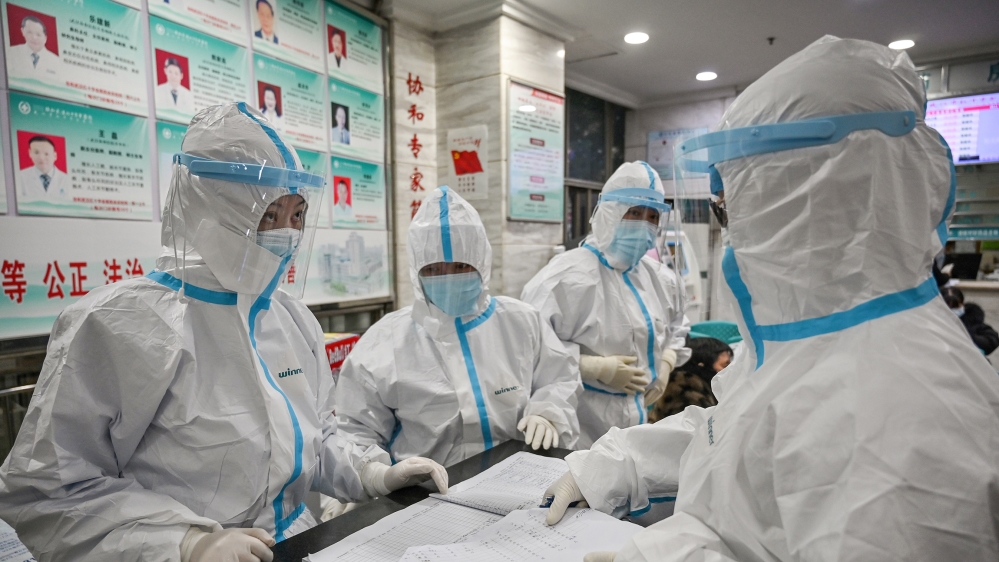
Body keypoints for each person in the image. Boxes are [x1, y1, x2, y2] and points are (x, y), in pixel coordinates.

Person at [542, 36, 999, 562]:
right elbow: (736, 440)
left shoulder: (905, 413)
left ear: (805, 205)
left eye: (736, 208)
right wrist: (610, 466)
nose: (733, 237)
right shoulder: (828, 340)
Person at [0, 103, 447, 562]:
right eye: (268, 214)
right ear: (208, 208)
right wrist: (184, 542)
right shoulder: (119, 325)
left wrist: (373, 473)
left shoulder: (289, 318)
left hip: (294, 543)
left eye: (297, 215)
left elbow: (317, 437)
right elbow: (48, 492)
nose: (287, 234)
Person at [335, 186, 581, 467]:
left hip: (518, 477)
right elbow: (356, 429)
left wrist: (548, 412)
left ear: (481, 263)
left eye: (461, 267)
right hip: (424, 494)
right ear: (417, 271)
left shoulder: (521, 321)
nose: (447, 278)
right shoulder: (386, 340)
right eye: (434, 269)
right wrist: (377, 475)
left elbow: (559, 379)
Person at [521, 161, 690, 448]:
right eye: (634, 212)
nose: (644, 224)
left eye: (652, 216)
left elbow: (676, 326)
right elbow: (530, 347)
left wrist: (666, 363)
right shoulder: (564, 278)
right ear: (610, 213)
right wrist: (590, 367)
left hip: (639, 420)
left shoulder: (661, 278)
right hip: (582, 423)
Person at [648, 337, 731, 423]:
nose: (729, 370)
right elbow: (698, 430)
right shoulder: (683, 386)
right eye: (724, 366)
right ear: (702, 364)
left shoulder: (695, 383)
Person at [942, 286, 999, 355]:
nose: (953, 310)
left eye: (956, 306)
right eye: (950, 307)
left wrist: (966, 335)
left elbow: (991, 341)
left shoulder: (973, 321)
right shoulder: (936, 323)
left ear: (962, 304)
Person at [17, 136, 69, 201]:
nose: (41, 157)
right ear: (30, 153)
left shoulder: (66, 179)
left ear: (55, 156)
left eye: (46, 154)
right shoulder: (20, 176)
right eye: (36, 153)